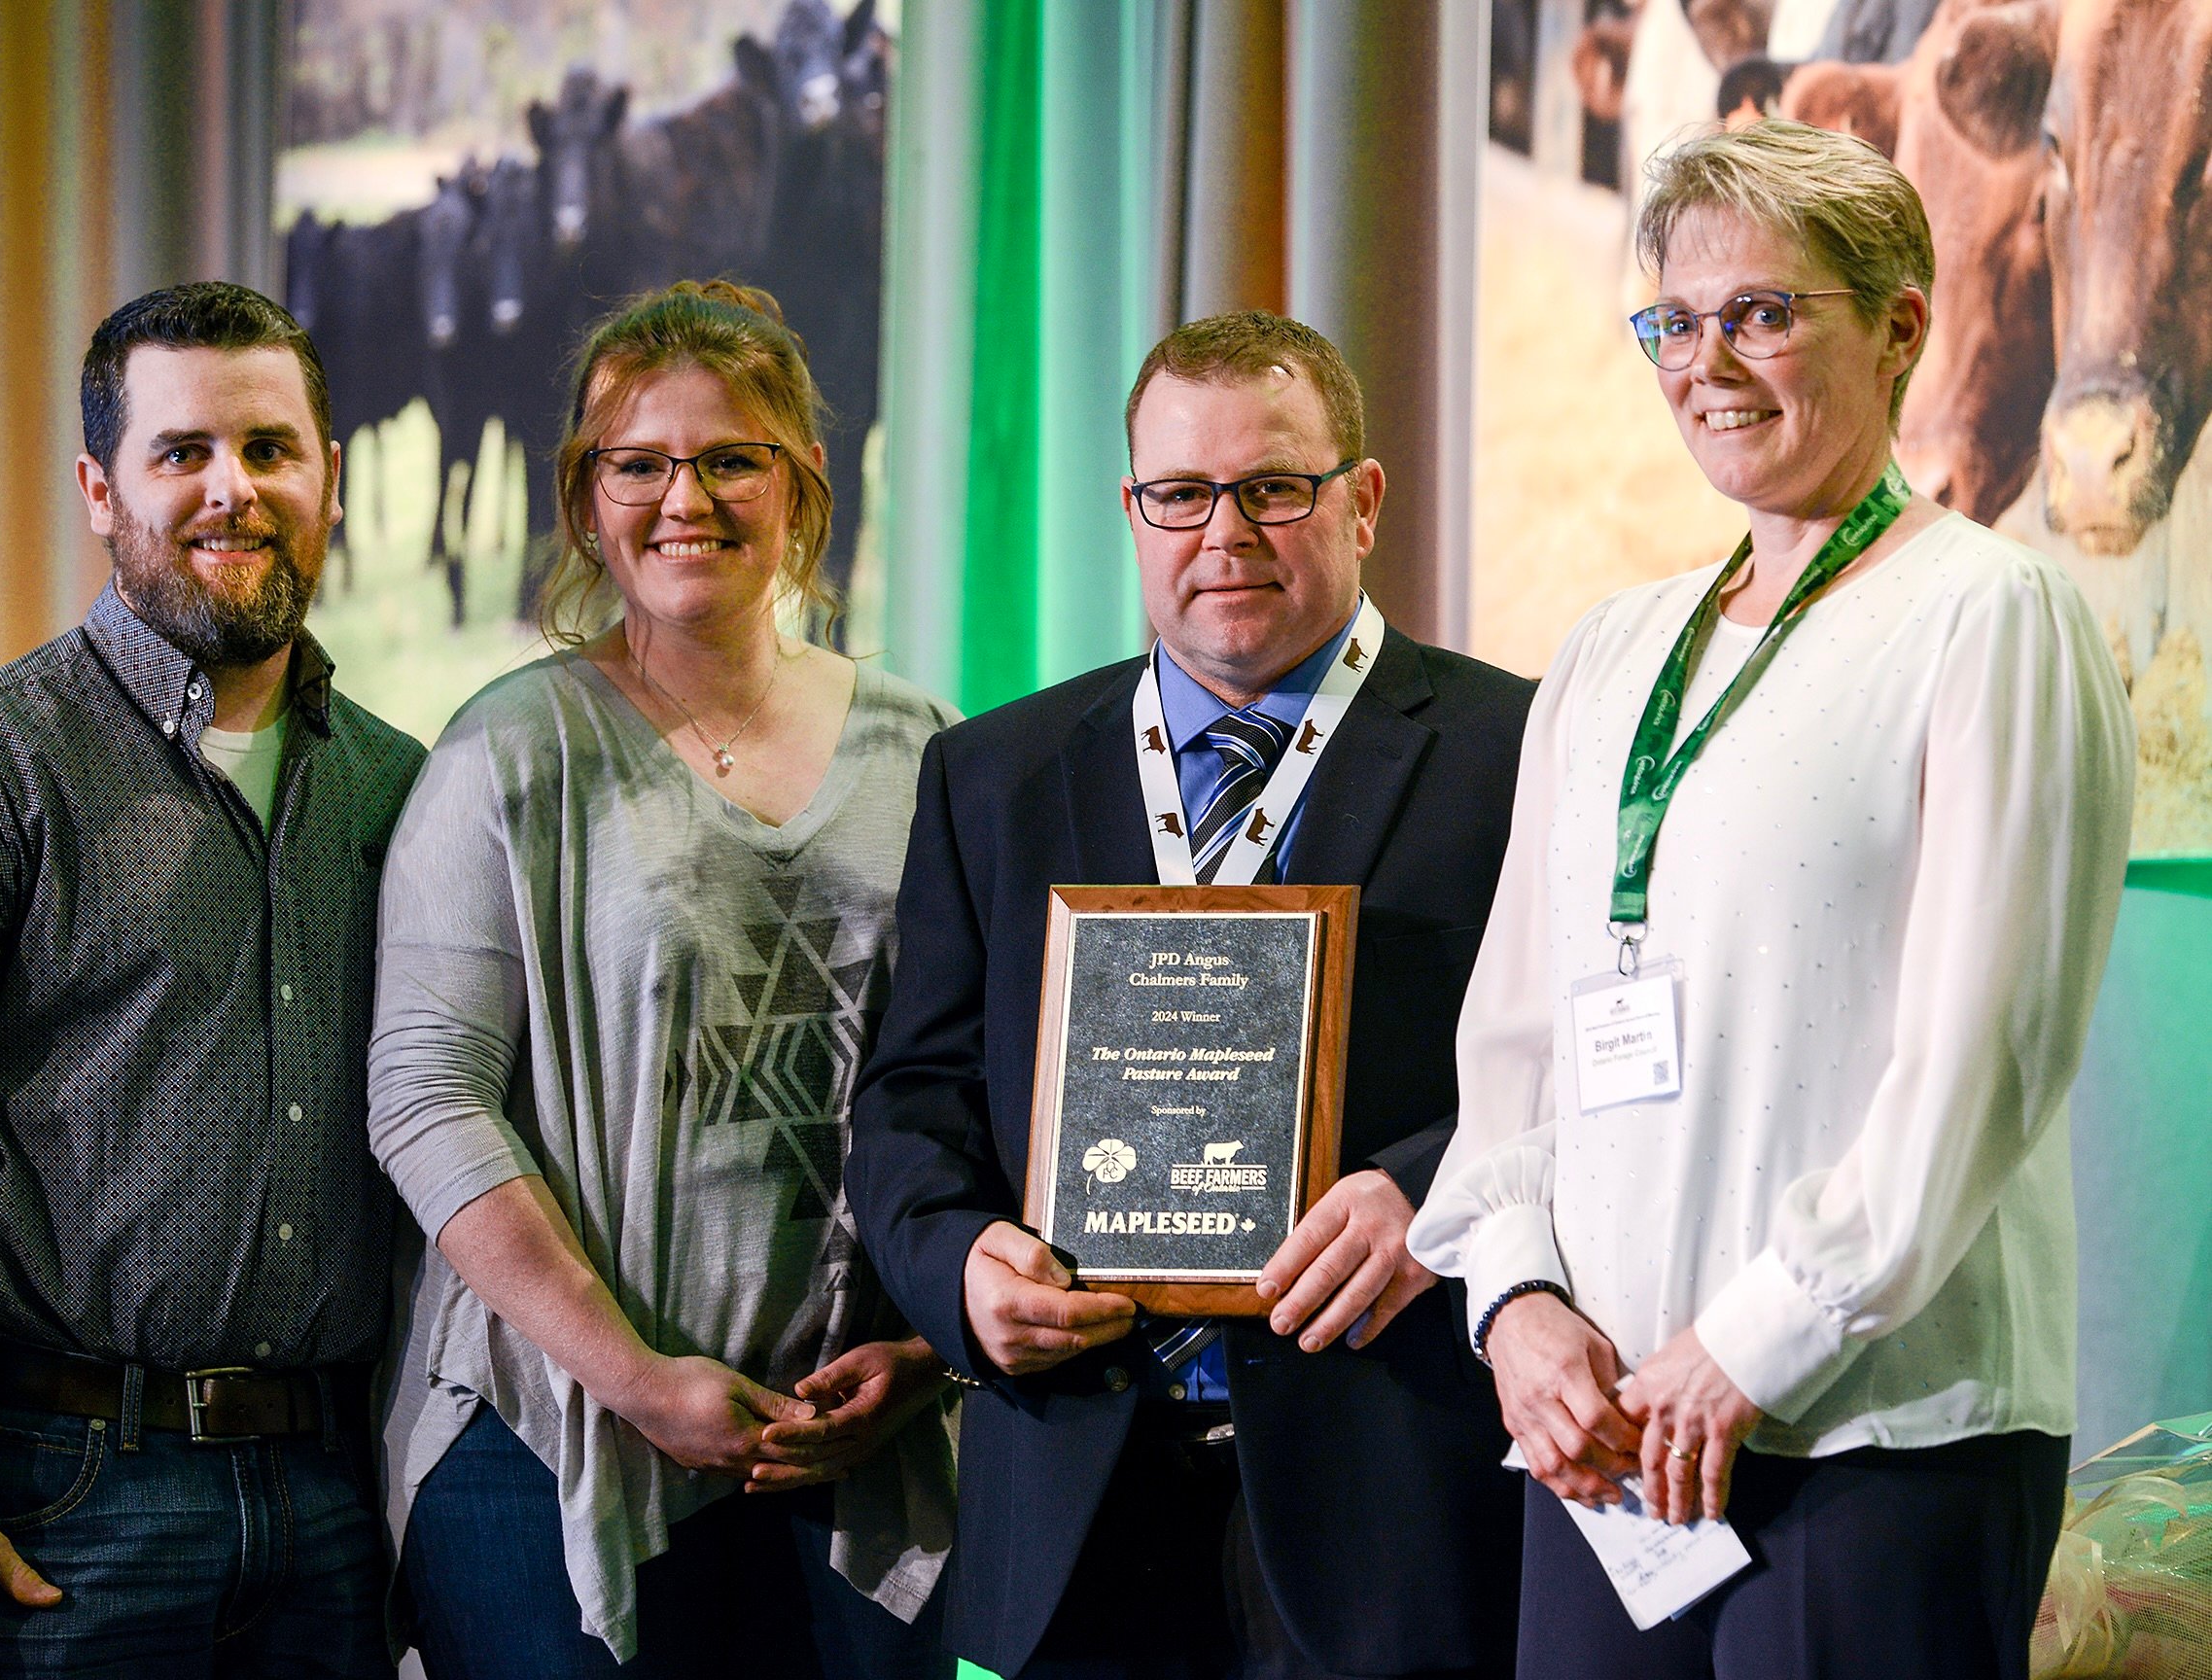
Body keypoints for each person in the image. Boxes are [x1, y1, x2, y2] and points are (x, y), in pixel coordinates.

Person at [1408, 120, 2134, 1680]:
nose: (1706, 363)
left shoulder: (1987, 618)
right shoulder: (1609, 651)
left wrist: (1743, 1349)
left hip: (1873, 1441)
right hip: (1604, 1449)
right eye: (1674, 320)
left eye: (1761, 314)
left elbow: (1977, 1067)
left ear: (1897, 327)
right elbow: (1517, 1046)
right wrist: (1514, 1303)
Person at [846, 310, 1535, 1680]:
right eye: (1180, 493)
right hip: (1083, 1498)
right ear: (1131, 508)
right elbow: (908, 1101)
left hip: (1394, 1499)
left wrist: (1428, 1198)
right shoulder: (993, 774)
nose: (1224, 532)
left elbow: (1582, 1074)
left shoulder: (1519, 749)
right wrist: (960, 1272)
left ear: (1363, 498)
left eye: (1274, 486)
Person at [0, 281, 424, 1680]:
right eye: (183, 453)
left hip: (335, 1501)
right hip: (59, 1499)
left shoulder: (402, 788)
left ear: (331, 476)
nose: (234, 491)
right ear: (101, 489)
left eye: (272, 450)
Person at [366, 279, 957, 1679]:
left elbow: (986, 1092)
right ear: (584, 502)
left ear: (801, 488)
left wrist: (927, 1358)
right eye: (637, 464)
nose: (681, 496)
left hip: (845, 1449)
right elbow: (424, 1099)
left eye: (730, 458)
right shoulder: (506, 754)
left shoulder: (932, 749)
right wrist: (634, 1380)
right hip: (552, 1446)